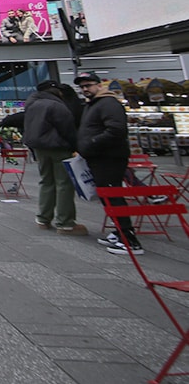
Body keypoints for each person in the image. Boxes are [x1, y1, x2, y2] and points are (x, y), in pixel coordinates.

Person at [74, 71, 142, 255]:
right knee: (107, 195)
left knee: (113, 195)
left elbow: (117, 130)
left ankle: (129, 239)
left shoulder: (108, 103)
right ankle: (120, 232)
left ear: (99, 85)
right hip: (99, 157)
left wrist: (92, 143)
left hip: (108, 157)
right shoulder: (94, 104)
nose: (85, 89)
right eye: (82, 87)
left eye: (88, 85)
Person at [22, 81, 86, 234]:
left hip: (39, 148)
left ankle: (43, 218)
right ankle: (65, 223)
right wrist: (75, 147)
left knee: (46, 181)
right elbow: (67, 129)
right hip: (58, 148)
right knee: (64, 183)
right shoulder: (56, 105)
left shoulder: (31, 104)